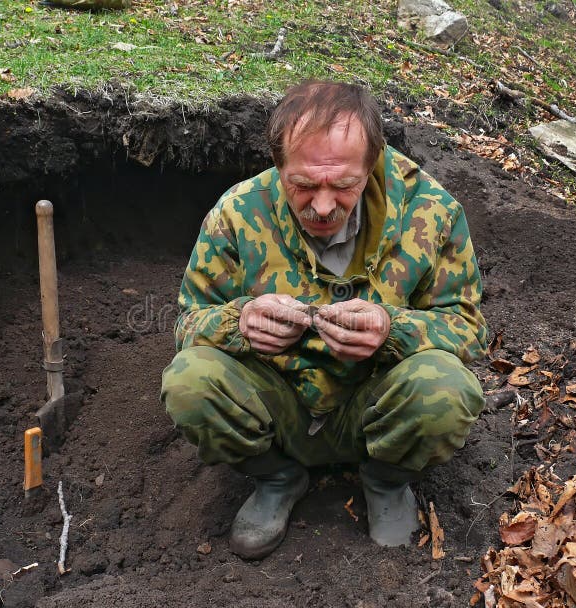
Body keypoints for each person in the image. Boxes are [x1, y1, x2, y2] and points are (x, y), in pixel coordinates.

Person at [161, 80, 487, 560]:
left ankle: (386, 481)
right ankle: (275, 475)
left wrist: (392, 330)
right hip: (279, 403)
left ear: (372, 163)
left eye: (344, 185)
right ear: (278, 165)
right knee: (190, 381)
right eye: (304, 184)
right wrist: (239, 323)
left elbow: (467, 328)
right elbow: (189, 321)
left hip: (375, 403)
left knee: (446, 388)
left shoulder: (432, 212)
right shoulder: (236, 213)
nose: (322, 206)